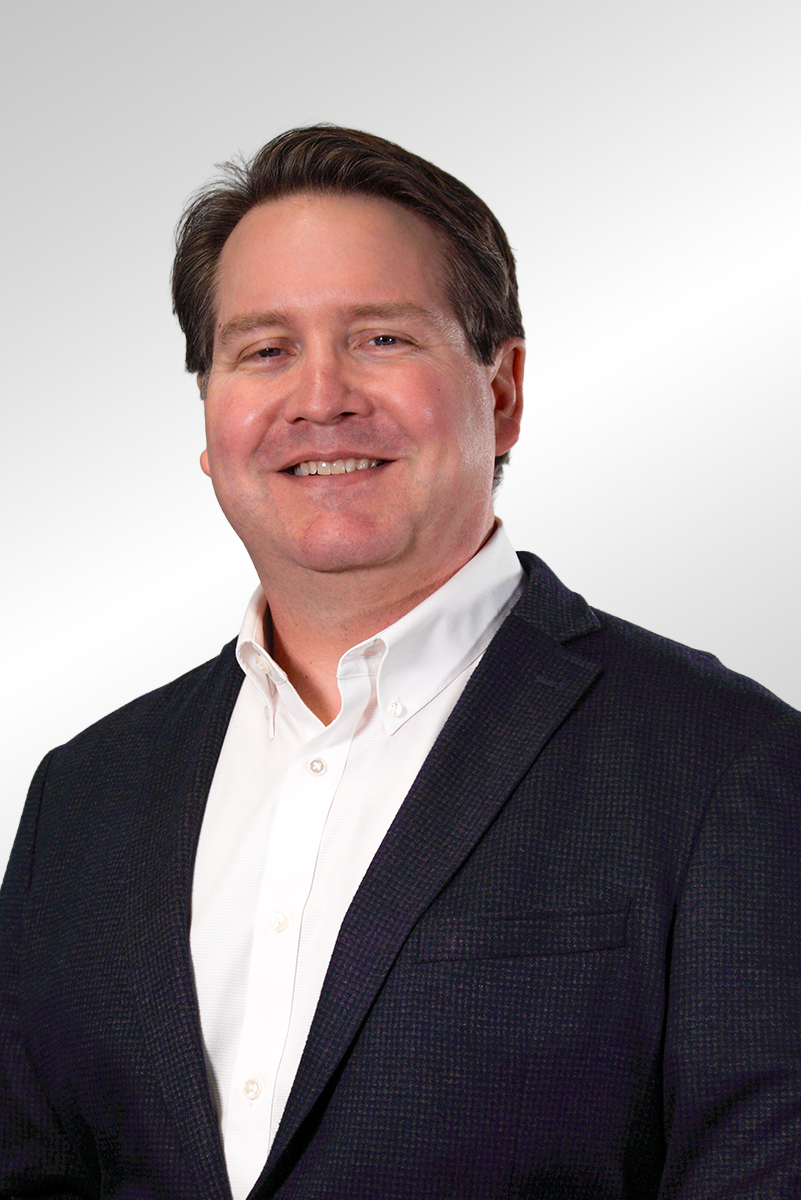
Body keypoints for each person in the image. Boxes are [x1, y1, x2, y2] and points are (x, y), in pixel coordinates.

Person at [1, 125, 799, 1200]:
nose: (320, 397)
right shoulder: (82, 798)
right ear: (209, 420)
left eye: (381, 339)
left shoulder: (725, 766)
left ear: (503, 390)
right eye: (264, 349)